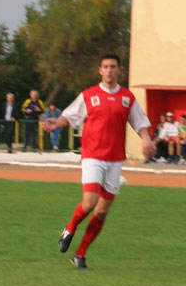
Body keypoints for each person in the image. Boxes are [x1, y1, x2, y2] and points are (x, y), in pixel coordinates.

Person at [43, 53, 154, 269]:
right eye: (106, 66)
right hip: (92, 156)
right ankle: (70, 228)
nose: (109, 70)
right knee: (90, 203)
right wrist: (57, 123)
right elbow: (70, 115)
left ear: (119, 70)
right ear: (100, 70)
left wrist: (146, 139)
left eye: (113, 66)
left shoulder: (127, 97)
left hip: (115, 159)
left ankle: (80, 254)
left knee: (102, 211)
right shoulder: (89, 95)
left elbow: (139, 121)